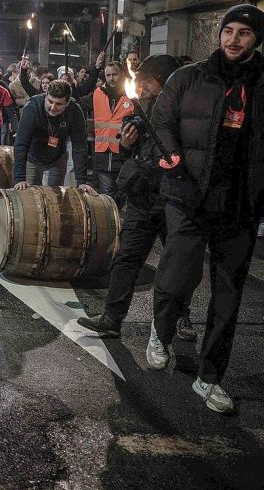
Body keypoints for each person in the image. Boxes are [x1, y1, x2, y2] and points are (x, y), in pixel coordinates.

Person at [146, 4, 264, 414]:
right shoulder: (188, 77)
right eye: (228, 31)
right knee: (177, 277)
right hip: (189, 197)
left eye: (243, 33)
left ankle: (210, 377)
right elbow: (161, 121)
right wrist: (175, 161)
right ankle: (160, 332)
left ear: (256, 39)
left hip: (241, 208)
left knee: (228, 299)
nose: (233, 39)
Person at [77, 55, 199, 340]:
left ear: (164, 82)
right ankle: (111, 318)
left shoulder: (185, 111)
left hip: (174, 200)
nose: (140, 87)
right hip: (143, 197)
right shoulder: (140, 108)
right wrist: (127, 142)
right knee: (126, 258)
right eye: (139, 81)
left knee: (179, 264)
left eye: (146, 82)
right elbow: (129, 149)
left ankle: (183, 318)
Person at [13, 80, 95, 194]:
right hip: (32, 157)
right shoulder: (32, 107)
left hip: (56, 159)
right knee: (29, 197)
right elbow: (21, 143)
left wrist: (81, 181)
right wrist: (19, 178)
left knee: (54, 197)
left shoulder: (75, 111)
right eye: (50, 101)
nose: (53, 107)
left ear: (67, 103)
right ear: (46, 95)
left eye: (59, 104)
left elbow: (79, 146)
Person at [79, 61, 133, 199]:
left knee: (123, 194)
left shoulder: (132, 94)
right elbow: (78, 100)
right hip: (102, 154)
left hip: (123, 154)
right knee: (107, 195)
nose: (111, 78)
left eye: (114, 74)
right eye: (108, 75)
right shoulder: (97, 93)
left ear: (121, 75)